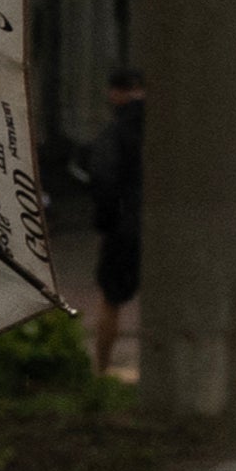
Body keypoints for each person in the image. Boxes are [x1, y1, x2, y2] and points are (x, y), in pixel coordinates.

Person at [82, 60, 152, 373]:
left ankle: (102, 367)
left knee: (110, 298)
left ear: (116, 93)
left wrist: (105, 225)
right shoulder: (166, 127)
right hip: (166, 225)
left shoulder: (115, 132)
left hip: (125, 226)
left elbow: (105, 182)